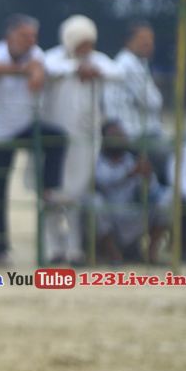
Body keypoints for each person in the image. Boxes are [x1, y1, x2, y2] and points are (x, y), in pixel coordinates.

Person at [0, 14, 67, 266]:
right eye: (26, 36)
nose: (31, 41)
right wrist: (26, 70)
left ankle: (48, 188)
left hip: (24, 125)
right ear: (11, 36)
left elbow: (41, 64)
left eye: (33, 37)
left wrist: (36, 68)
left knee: (58, 138)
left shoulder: (35, 54)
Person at [40, 15, 122, 265]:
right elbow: (48, 68)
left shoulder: (97, 60)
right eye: (82, 43)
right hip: (54, 139)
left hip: (84, 139)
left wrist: (94, 70)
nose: (87, 48)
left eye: (90, 42)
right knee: (50, 194)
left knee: (76, 196)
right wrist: (75, 69)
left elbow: (117, 71)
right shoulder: (54, 58)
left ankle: (75, 250)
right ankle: (54, 249)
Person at [105, 20, 169, 184]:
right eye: (144, 40)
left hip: (144, 133)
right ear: (129, 42)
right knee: (173, 156)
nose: (149, 44)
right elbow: (153, 101)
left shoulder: (139, 63)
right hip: (134, 136)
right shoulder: (127, 64)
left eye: (151, 39)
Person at [92, 120, 165, 265]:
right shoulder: (97, 162)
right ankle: (115, 255)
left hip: (133, 216)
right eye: (113, 136)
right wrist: (131, 173)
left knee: (167, 198)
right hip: (109, 218)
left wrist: (147, 175)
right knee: (93, 202)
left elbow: (153, 189)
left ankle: (150, 254)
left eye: (121, 136)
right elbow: (103, 180)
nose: (118, 140)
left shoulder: (133, 160)